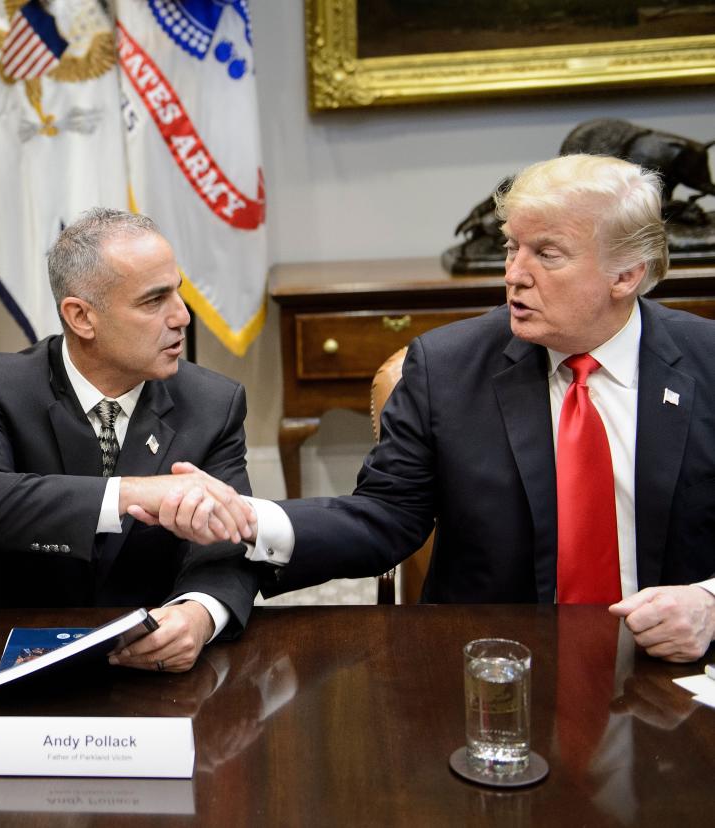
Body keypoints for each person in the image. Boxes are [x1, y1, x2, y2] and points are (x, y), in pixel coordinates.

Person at [138, 154, 715, 663]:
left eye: (548, 254)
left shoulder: (706, 363)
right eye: (512, 247)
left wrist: (710, 604)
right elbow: (385, 518)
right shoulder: (447, 368)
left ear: (627, 275)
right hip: (496, 668)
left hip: (672, 666)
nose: (514, 273)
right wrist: (248, 518)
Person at [0, 207, 258, 672]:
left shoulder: (213, 403)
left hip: (149, 654)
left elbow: (231, 541)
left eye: (178, 293)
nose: (182, 317)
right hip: (2, 637)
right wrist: (130, 493)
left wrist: (200, 614)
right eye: (154, 301)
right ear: (81, 317)